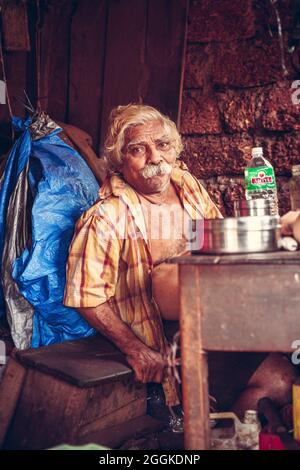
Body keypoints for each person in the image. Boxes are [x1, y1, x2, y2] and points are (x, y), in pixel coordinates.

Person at [64, 104, 297, 414]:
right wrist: (137, 351)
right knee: (279, 382)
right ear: (121, 160)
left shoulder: (185, 185)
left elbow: (218, 243)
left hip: (216, 314)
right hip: (169, 334)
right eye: (138, 149)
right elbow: (85, 296)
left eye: (162, 145)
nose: (155, 157)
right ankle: (215, 435)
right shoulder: (107, 217)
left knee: (288, 345)